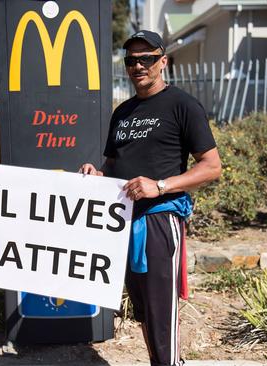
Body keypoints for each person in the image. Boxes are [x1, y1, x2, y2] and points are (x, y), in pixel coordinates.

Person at [80, 30, 222, 366]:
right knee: (144, 311)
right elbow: (113, 165)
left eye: (146, 59)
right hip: (123, 222)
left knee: (162, 313)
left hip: (158, 220)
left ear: (163, 61)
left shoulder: (183, 105)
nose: (138, 66)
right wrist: (97, 175)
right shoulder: (123, 112)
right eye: (131, 60)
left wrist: (159, 185)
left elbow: (212, 167)